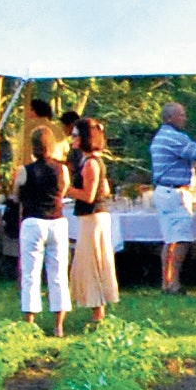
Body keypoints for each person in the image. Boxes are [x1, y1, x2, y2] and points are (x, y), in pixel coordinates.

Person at [13, 121, 74, 333]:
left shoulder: (25, 170)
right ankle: (58, 326)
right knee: (58, 274)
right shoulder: (62, 169)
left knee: (31, 273)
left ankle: (29, 321)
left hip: (33, 221)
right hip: (57, 221)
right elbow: (63, 191)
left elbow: (16, 194)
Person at [66, 115, 120, 325]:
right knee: (91, 261)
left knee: (94, 262)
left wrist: (66, 189)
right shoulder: (93, 161)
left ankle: (98, 311)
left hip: (93, 217)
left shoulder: (90, 164)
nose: (72, 139)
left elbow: (89, 195)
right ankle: (96, 309)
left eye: (75, 135)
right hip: (92, 218)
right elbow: (104, 189)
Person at [148, 100, 196, 294]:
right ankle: (175, 282)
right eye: (181, 115)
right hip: (175, 193)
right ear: (171, 117)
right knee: (182, 239)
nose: (185, 118)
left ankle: (166, 281)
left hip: (163, 191)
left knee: (169, 239)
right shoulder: (174, 138)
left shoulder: (159, 137)